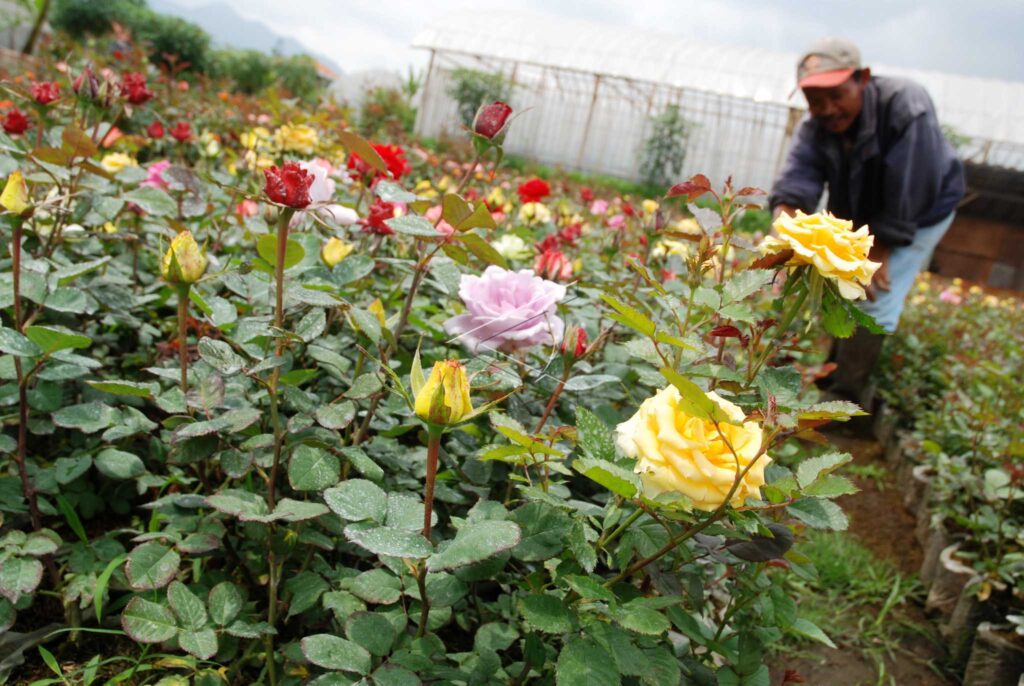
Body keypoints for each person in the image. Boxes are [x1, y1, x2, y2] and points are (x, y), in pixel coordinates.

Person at [769, 37, 964, 409]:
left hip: (921, 210)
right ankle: (832, 374)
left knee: (876, 291)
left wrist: (881, 248)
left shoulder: (906, 105)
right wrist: (785, 232)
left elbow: (913, 182)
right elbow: (797, 182)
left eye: (836, 94)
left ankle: (845, 402)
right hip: (863, 212)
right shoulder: (816, 129)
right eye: (814, 100)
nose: (827, 108)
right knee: (846, 286)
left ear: (863, 78)